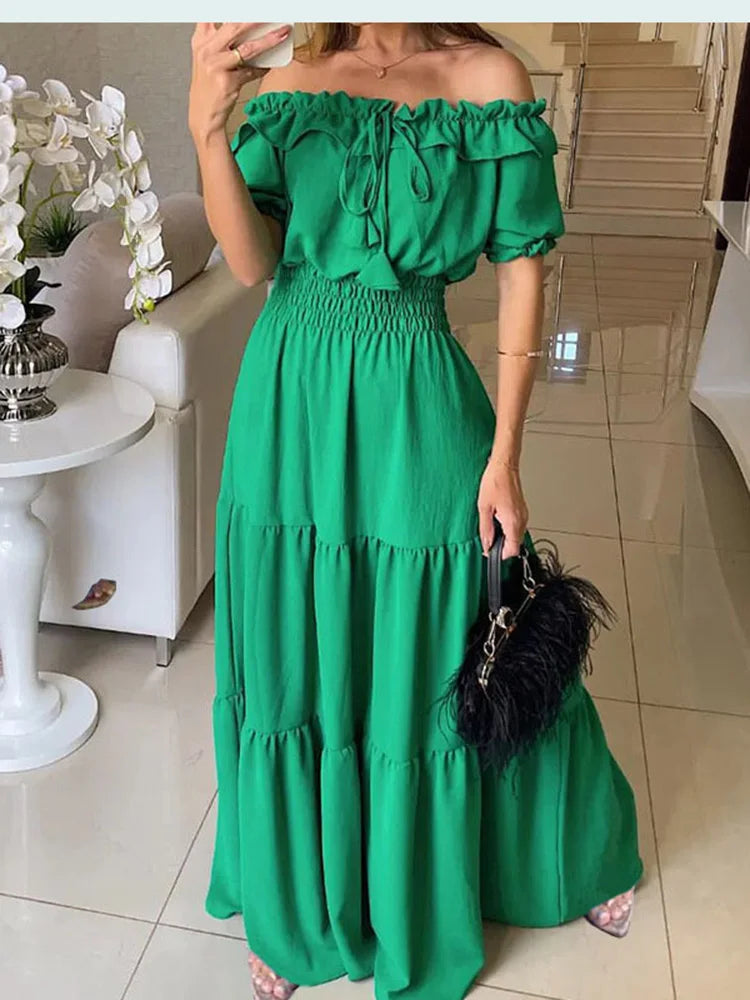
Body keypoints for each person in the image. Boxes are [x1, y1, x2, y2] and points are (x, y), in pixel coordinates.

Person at [188, 22, 643, 1000]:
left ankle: (566, 852)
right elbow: (253, 263)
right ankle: (296, 900)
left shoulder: (486, 78)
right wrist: (206, 129)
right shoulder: (293, 79)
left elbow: (522, 269)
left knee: (462, 634)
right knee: (295, 656)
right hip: (289, 407)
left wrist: (506, 454)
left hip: (419, 399)